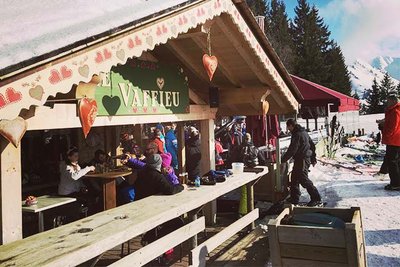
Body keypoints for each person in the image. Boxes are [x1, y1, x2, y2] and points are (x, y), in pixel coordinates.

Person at [281, 119, 322, 206]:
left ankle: (316, 198)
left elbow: (293, 149)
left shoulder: (297, 134)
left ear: (291, 126)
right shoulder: (303, 132)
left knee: (303, 179)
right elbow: (312, 145)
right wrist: (313, 158)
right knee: (294, 178)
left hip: (302, 159)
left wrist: (283, 159)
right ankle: (294, 197)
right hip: (302, 158)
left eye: (288, 128)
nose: (288, 130)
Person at [382, 95, 400, 191]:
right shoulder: (394, 111)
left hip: (394, 140)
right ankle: (397, 182)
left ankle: (395, 183)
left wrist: (386, 134)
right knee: (396, 162)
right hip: (396, 140)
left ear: (393, 101)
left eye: (388, 101)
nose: (387, 103)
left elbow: (393, 127)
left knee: (392, 162)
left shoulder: (395, 112)